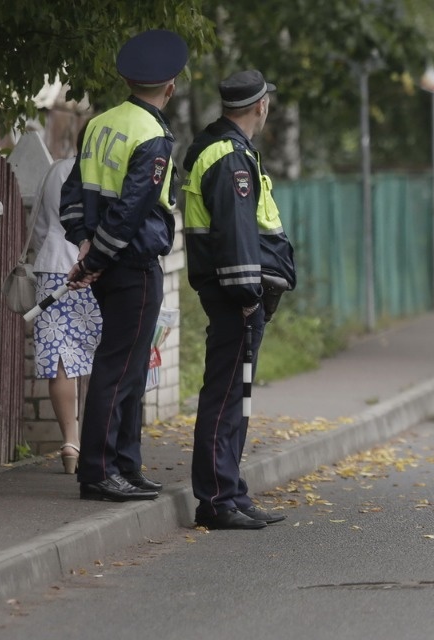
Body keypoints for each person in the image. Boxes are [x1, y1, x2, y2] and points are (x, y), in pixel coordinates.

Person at [59, 29, 188, 501]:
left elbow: (71, 196)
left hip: (107, 264)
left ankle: (127, 464)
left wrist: (85, 246)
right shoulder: (153, 136)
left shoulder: (98, 123)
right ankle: (98, 472)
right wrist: (99, 256)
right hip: (132, 266)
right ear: (169, 87)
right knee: (119, 369)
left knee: (131, 369)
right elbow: (133, 208)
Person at [183, 70, 296, 530]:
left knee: (236, 396)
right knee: (226, 395)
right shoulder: (229, 158)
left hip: (240, 296)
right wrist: (248, 296)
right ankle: (215, 499)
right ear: (261, 106)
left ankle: (231, 491)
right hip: (237, 298)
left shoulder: (230, 149)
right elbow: (234, 233)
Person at [30, 154, 102, 474]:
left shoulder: (56, 170)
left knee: (61, 357)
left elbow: (40, 226)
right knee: (101, 355)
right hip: (93, 272)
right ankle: (99, 441)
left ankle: (71, 441)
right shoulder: (104, 170)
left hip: (52, 269)